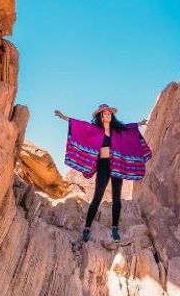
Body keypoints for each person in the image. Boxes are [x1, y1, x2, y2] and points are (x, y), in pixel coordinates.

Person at [57, 104, 152, 243]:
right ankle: (87, 227)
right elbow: (80, 126)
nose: (107, 115)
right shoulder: (95, 130)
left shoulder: (117, 130)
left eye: (109, 113)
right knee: (97, 196)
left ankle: (114, 228)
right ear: (100, 116)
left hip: (117, 165)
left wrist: (140, 123)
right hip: (103, 165)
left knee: (116, 198)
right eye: (105, 113)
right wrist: (64, 117)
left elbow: (129, 128)